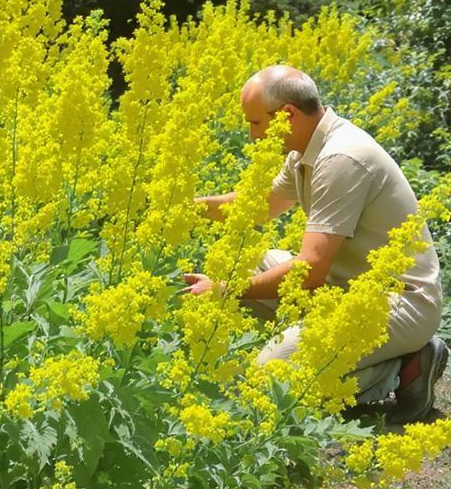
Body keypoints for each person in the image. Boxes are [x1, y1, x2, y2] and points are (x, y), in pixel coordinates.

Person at [185, 65, 445, 422]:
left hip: (397, 302)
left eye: (257, 123)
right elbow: (260, 206)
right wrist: (185, 208)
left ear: (287, 114)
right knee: (242, 261)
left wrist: (226, 289)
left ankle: (402, 366)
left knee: (270, 380)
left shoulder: (341, 158)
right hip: (345, 288)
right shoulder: (305, 150)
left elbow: (308, 271)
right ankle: (321, 353)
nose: (252, 135)